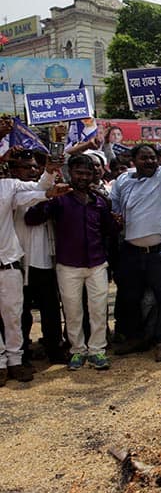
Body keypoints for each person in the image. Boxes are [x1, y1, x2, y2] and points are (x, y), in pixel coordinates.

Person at [24, 154, 119, 370]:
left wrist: (117, 222)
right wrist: (47, 195)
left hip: (97, 263)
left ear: (93, 175)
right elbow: (31, 218)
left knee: (98, 309)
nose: (83, 177)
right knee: (72, 310)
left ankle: (97, 350)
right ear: (70, 174)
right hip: (68, 265)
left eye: (87, 173)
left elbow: (110, 231)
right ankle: (77, 350)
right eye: (79, 173)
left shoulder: (99, 201)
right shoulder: (60, 199)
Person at [109, 104, 161, 362]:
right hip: (131, 252)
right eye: (144, 158)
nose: (150, 161)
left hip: (160, 252)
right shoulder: (123, 180)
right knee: (130, 298)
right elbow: (115, 205)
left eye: (153, 157)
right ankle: (135, 338)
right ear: (134, 161)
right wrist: (116, 216)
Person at [10, 150, 64, 369]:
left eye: (35, 167)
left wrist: (50, 175)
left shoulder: (43, 190)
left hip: (46, 262)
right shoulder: (10, 192)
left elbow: (42, 189)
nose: (32, 170)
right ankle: (20, 355)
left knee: (51, 310)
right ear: (15, 171)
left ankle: (54, 351)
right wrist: (47, 190)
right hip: (20, 262)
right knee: (20, 313)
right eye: (26, 167)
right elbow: (35, 197)